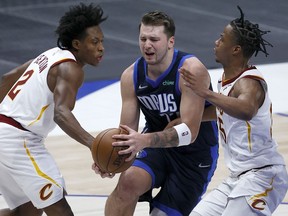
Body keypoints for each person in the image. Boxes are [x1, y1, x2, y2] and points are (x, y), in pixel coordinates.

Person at [93, 11, 219, 216]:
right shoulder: (131, 76)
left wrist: (143, 140)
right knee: (127, 182)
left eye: (154, 39)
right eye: (143, 39)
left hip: (194, 155)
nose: (147, 45)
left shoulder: (190, 70)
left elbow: (189, 132)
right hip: (157, 149)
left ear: (170, 42)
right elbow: (127, 132)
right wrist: (110, 157)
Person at [180, 6, 288, 216]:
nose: (216, 42)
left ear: (236, 49)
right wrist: (190, 119)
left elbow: (246, 110)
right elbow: (224, 111)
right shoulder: (226, 81)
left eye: (222, 38)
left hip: (263, 175)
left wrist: (206, 93)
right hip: (237, 178)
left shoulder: (249, 83)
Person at [0, 3, 107, 216]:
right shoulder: (71, 68)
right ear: (77, 44)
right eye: (94, 42)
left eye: (102, 41)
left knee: (27, 212)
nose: (101, 47)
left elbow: (6, 79)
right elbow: (61, 113)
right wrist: (94, 145)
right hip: (18, 140)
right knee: (60, 209)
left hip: (6, 133)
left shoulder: (48, 55)